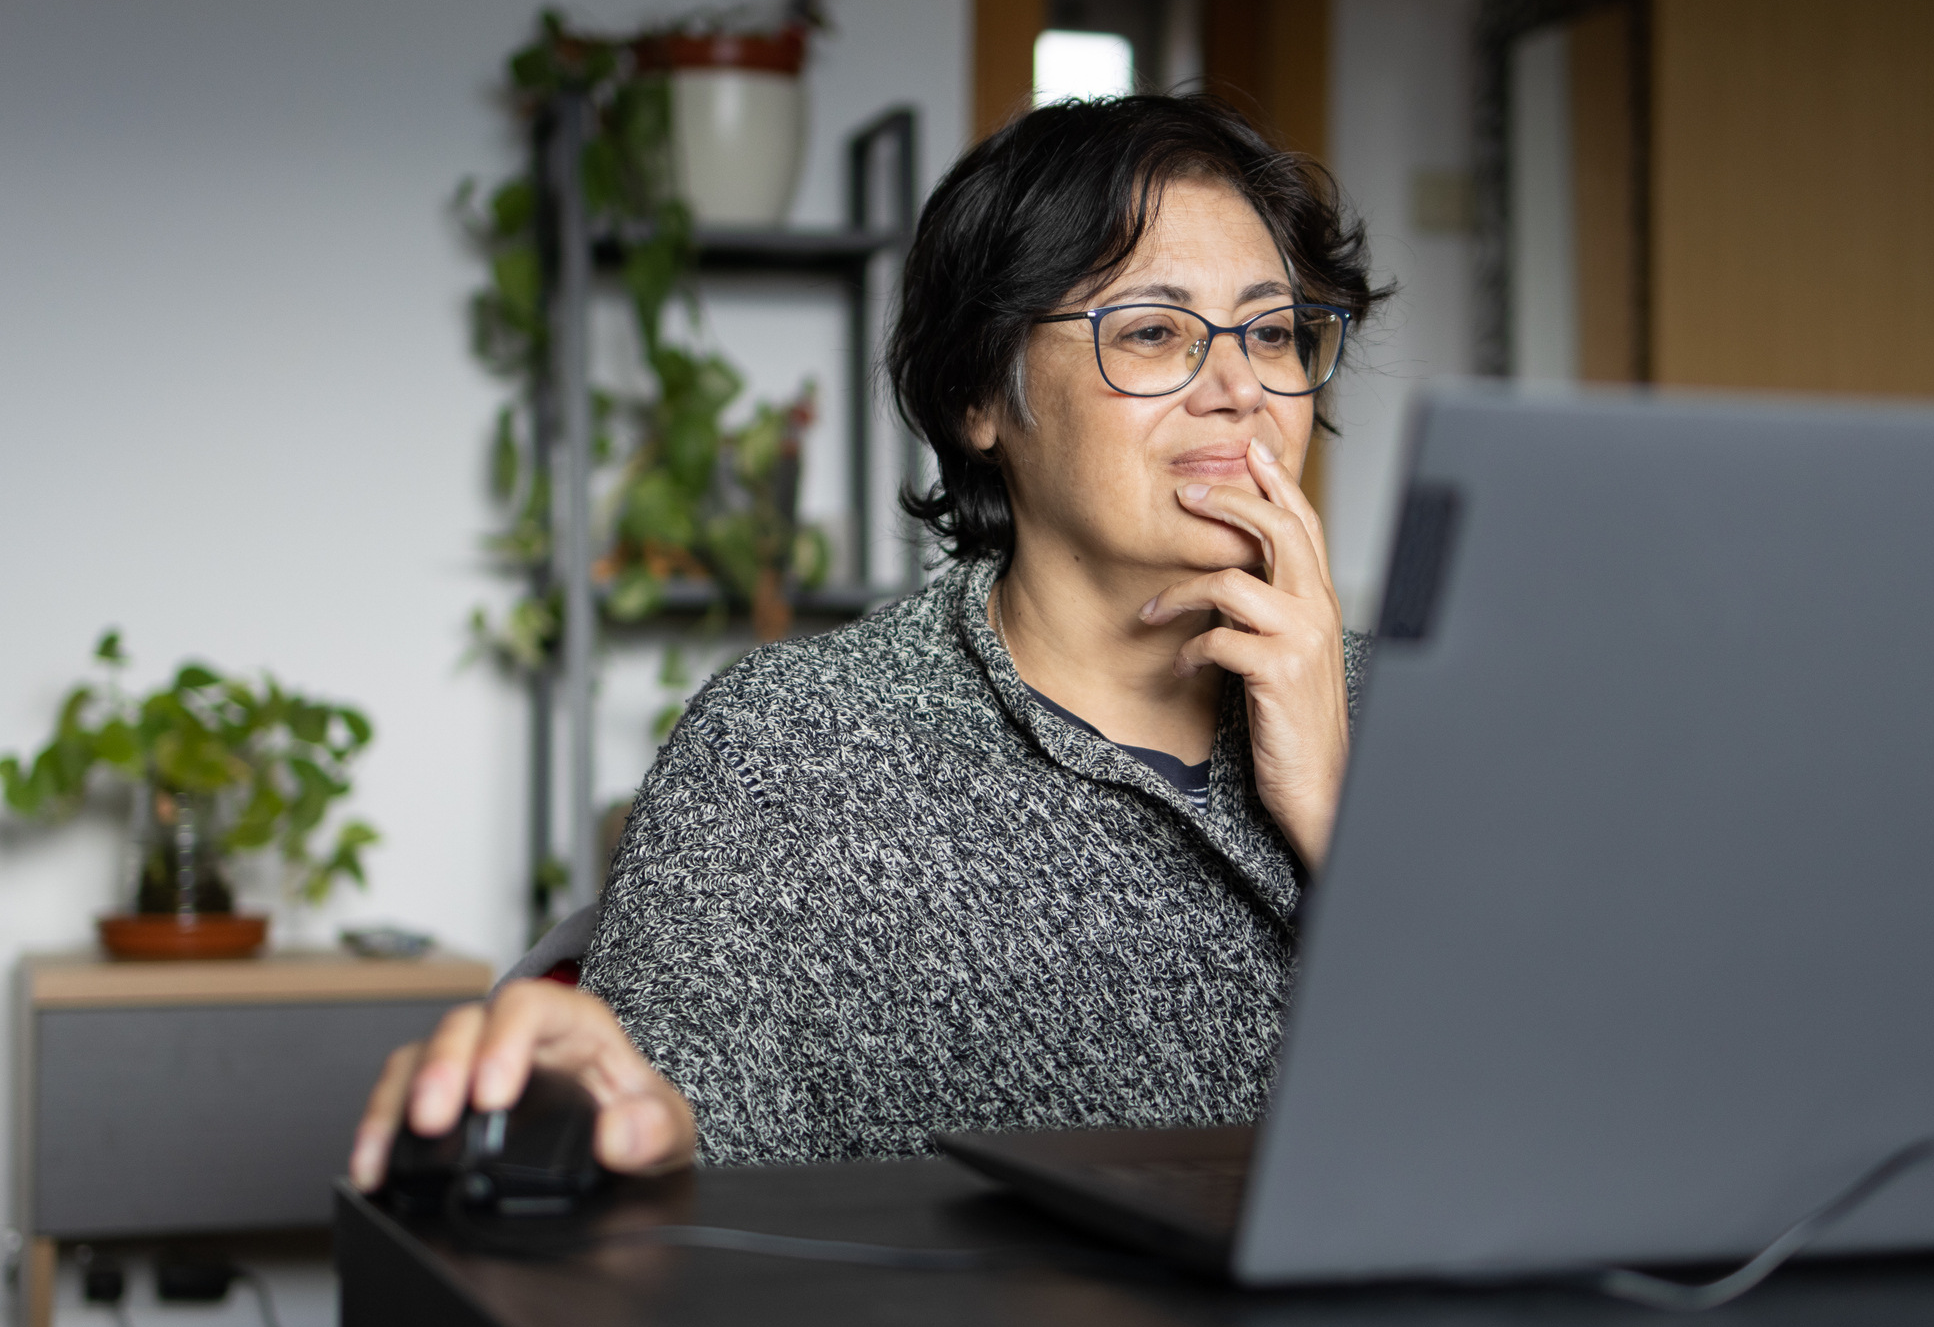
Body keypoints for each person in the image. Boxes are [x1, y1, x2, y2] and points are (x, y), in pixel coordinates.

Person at [349, 92, 1388, 1190]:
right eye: (1151, 331)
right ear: (982, 391)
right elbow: (674, 1155)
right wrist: (603, 1114)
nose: (1239, 389)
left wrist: (1337, 809)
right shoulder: (794, 747)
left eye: (1273, 331)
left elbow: (1562, 1119)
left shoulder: (1420, 709)